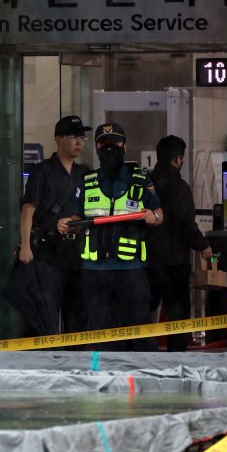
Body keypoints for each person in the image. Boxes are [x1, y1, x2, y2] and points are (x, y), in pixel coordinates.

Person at [58, 122, 163, 352]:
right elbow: (78, 217)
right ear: (96, 147)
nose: (109, 149)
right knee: (99, 333)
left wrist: (152, 216)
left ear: (124, 146)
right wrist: (67, 223)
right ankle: (100, 372)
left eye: (114, 143)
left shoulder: (140, 179)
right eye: (103, 144)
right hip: (95, 272)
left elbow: (159, 213)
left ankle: (145, 372)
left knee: (140, 333)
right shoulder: (88, 181)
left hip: (130, 269)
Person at [18, 115, 90, 336]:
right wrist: (25, 246)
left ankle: (74, 357)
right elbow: (28, 210)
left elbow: (88, 213)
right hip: (47, 251)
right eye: (73, 137)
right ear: (58, 139)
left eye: (82, 138)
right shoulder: (42, 171)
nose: (79, 142)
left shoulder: (84, 173)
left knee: (76, 316)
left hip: (76, 251)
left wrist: (75, 223)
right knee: (43, 317)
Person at [146, 135, 212, 352]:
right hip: (175, 263)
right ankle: (176, 359)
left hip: (148, 261)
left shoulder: (146, 183)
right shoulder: (180, 187)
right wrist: (203, 245)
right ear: (177, 159)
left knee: (144, 313)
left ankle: (143, 355)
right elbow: (187, 224)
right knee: (178, 317)